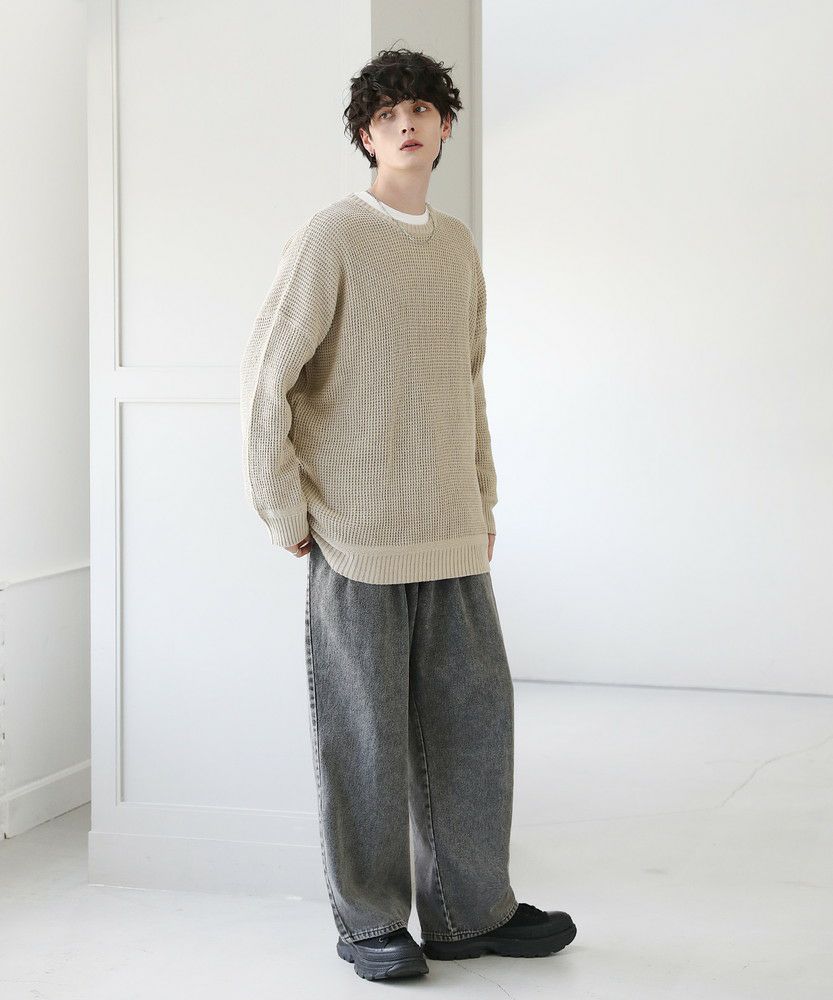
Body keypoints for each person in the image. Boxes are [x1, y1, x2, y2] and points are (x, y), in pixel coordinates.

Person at [239, 46, 577, 982]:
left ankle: (471, 913)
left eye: (421, 110)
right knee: (365, 740)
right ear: (365, 136)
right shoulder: (332, 237)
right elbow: (267, 378)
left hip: (450, 525)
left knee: (474, 726)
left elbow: (466, 383)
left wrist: (481, 495)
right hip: (355, 534)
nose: (406, 125)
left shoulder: (457, 245)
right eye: (387, 114)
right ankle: (369, 922)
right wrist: (281, 505)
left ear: (444, 127)